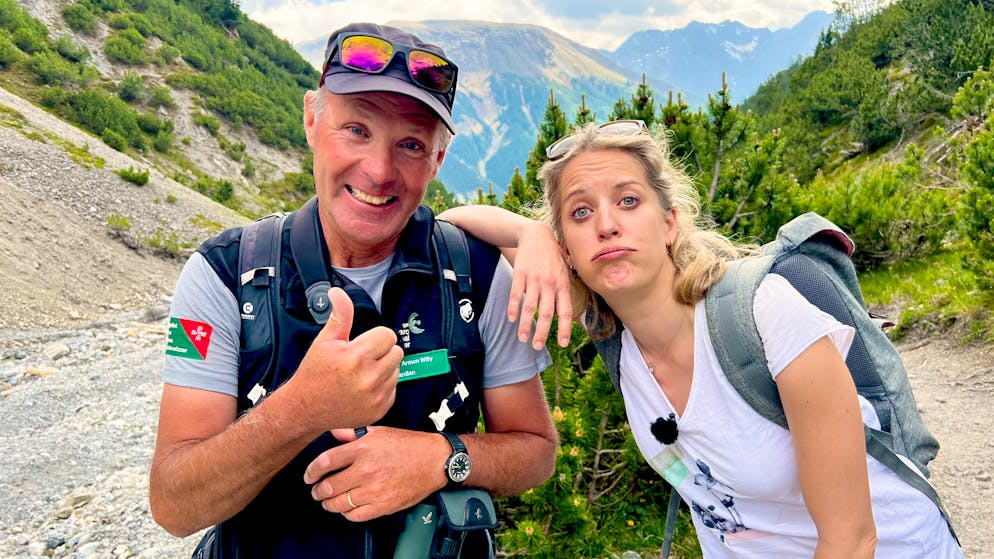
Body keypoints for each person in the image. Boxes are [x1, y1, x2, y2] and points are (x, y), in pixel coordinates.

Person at [439, 120, 963, 558]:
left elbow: (851, 538)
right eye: (580, 212)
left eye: (628, 200)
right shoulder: (615, 336)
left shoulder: (763, 314)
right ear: (567, 252)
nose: (605, 225)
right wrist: (530, 235)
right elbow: (447, 224)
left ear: (669, 223)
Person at [149, 22, 557, 558]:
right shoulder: (223, 275)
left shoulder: (477, 273)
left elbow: (536, 450)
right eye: (357, 131)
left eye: (410, 144)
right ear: (312, 120)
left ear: (437, 160)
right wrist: (301, 408)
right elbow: (175, 505)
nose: (379, 170)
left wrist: (440, 457)